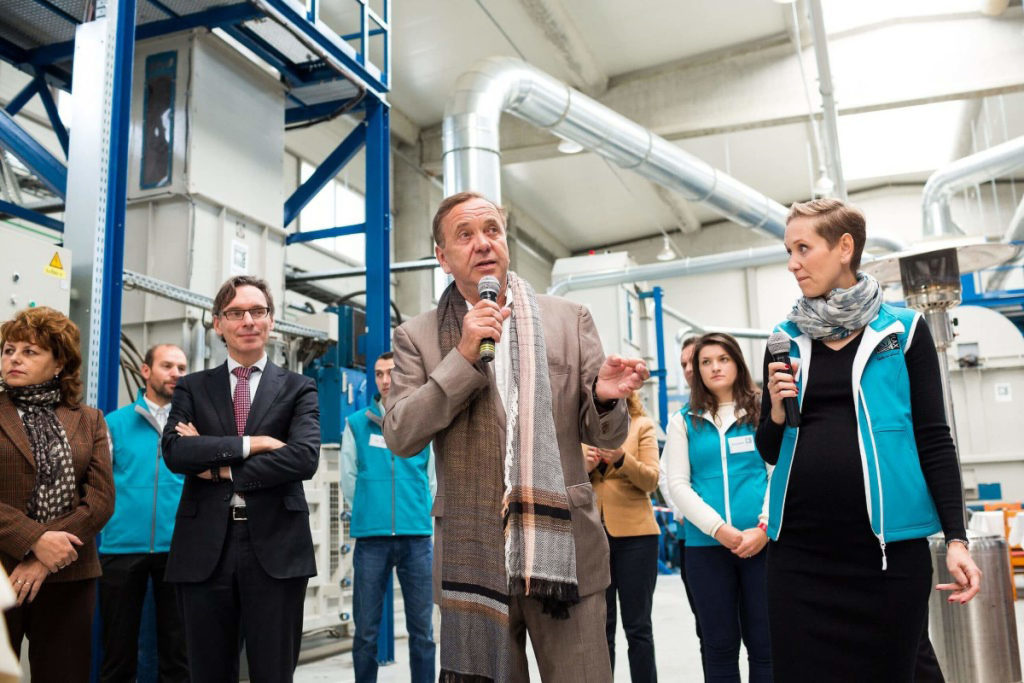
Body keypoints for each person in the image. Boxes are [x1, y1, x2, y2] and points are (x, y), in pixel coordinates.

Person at [382, 191, 649, 682]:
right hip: (473, 558)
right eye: (465, 234)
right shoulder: (415, 337)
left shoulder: (569, 319)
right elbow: (401, 434)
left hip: (564, 549)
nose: (483, 243)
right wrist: (462, 358)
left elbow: (603, 433)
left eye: (492, 230)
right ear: (442, 257)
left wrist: (607, 399)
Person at [757, 198, 982, 682]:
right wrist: (774, 414)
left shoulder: (904, 330)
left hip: (886, 557)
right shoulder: (784, 337)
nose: (792, 263)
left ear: (844, 247)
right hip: (798, 556)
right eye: (787, 251)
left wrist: (956, 538)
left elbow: (934, 439)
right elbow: (769, 450)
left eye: (803, 248)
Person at [162, 275, 321, 682]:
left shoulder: (300, 388)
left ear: (271, 321)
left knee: (273, 672)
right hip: (204, 551)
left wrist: (218, 463)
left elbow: (303, 458)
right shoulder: (193, 388)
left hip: (277, 549)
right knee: (208, 673)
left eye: (257, 311)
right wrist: (255, 443)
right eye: (236, 312)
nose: (248, 320)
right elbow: (177, 452)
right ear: (218, 323)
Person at [0, 306, 115, 682]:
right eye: (8, 350)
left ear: (59, 363)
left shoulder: (89, 419)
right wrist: (34, 539)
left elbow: (99, 500)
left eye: (29, 351)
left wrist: (46, 558)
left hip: (70, 572)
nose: (14, 358)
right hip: (1, 569)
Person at [664, 332, 772, 682]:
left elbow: (779, 473)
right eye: (705, 362)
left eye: (722, 359)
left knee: (765, 645)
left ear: (737, 363)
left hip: (763, 545)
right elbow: (677, 484)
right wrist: (719, 529)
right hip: (706, 549)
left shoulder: (763, 410)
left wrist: (764, 529)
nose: (715, 368)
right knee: (720, 646)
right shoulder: (683, 420)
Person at [342, 351, 436, 682]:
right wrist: (372, 510)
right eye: (379, 373)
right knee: (365, 631)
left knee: (422, 631)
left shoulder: (424, 423)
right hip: (371, 540)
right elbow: (348, 480)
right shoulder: (356, 424)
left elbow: (433, 479)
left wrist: (418, 514)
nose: (385, 380)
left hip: (417, 539)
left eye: (391, 373)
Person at [98, 344, 189, 682]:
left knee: (178, 652)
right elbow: (98, 484)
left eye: (181, 367)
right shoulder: (114, 423)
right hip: (121, 548)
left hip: (177, 550)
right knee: (117, 650)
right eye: (167, 365)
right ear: (146, 371)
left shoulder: (191, 427)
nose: (176, 373)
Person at [585, 391, 659, 682]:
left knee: (638, 627)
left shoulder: (641, 424)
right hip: (592, 536)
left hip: (637, 538)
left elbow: (651, 480)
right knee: (601, 628)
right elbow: (566, 480)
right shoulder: (582, 429)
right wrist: (584, 465)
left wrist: (621, 459)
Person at [657, 337, 703, 672]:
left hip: (753, 539)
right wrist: (689, 513)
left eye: (695, 362)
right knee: (711, 631)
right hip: (697, 541)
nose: (689, 370)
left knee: (762, 633)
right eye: (684, 364)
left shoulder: (752, 409)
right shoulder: (680, 419)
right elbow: (666, 477)